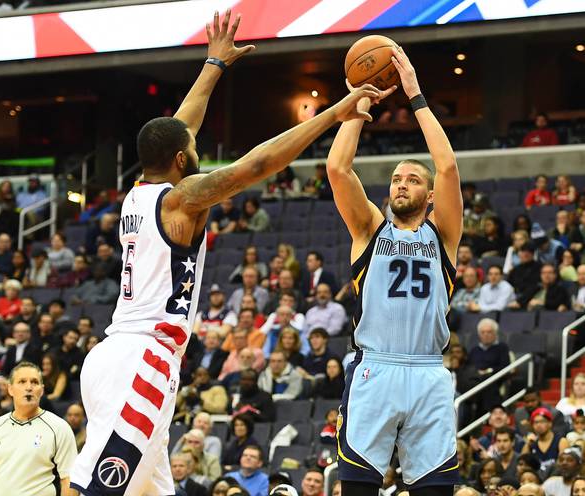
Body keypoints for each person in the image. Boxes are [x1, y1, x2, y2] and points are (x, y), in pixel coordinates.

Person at [69, 9, 382, 495]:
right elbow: (258, 164)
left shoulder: (138, 190)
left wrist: (213, 65)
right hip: (143, 360)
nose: (196, 149)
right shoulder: (181, 198)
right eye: (191, 149)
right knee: (99, 489)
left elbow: (178, 128)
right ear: (180, 160)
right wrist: (333, 114)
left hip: (118, 355)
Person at [326, 46, 462, 495]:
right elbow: (337, 167)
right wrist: (356, 104)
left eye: (413, 180)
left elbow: (447, 166)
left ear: (428, 197)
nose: (402, 183)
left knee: (435, 488)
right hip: (374, 370)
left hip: (428, 371)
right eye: (397, 179)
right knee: (359, 487)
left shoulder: (443, 236)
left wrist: (415, 95)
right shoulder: (368, 228)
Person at [0, 361, 77, 496]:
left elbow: (69, 480)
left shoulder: (59, 428)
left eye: (34, 382)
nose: (29, 387)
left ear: (42, 390)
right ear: (10, 389)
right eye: (22, 382)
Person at [522, 407, 569, 477]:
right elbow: (522, 465)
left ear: (550, 423)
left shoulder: (561, 441)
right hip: (536, 482)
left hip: (555, 479)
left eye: (542, 421)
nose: (538, 425)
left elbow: (564, 466)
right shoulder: (531, 444)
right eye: (535, 422)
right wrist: (527, 445)